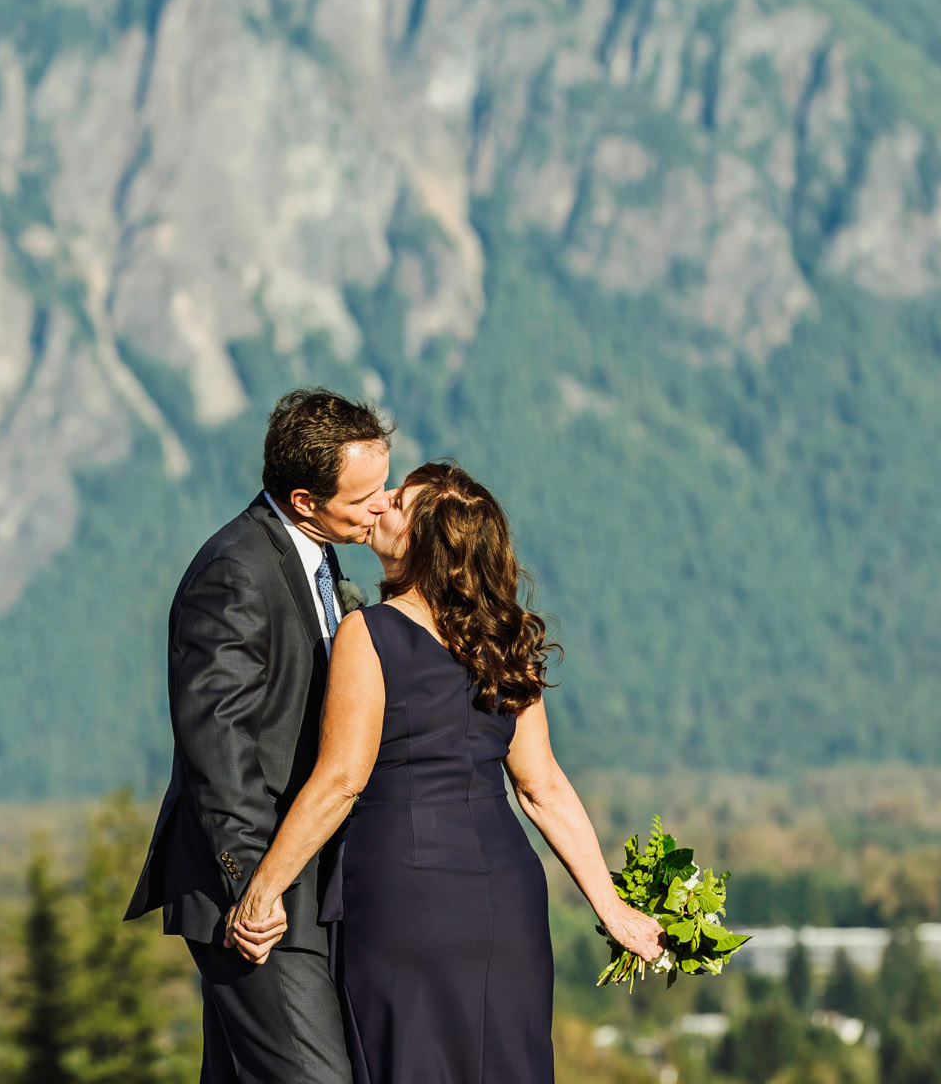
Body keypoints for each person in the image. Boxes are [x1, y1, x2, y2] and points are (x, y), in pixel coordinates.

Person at [226, 460, 665, 1083]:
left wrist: (261, 892)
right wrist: (612, 910)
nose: (379, 506)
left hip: (405, 898)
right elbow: (542, 789)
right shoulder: (503, 642)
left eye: (398, 503)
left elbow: (341, 780)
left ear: (424, 545)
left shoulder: (368, 632)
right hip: (507, 902)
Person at [124, 388, 392, 1084]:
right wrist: (257, 886)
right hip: (254, 895)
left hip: (303, 888)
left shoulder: (318, 558)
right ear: (305, 499)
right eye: (364, 498)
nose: (382, 506)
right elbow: (218, 739)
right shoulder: (236, 569)